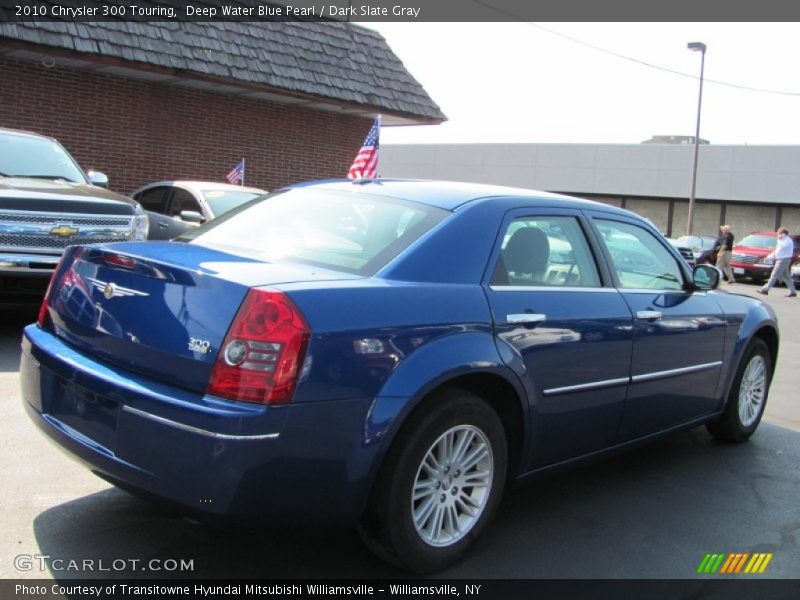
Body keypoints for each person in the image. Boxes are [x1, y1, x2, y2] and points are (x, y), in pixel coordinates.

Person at [757, 227, 797, 297]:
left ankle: (765, 289)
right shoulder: (781, 241)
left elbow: (783, 247)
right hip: (780, 259)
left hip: (783, 260)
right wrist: (769, 257)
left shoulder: (788, 240)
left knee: (774, 275)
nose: (779, 235)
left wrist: (779, 240)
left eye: (780, 233)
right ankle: (793, 291)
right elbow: (777, 251)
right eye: (778, 234)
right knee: (786, 277)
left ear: (785, 234)